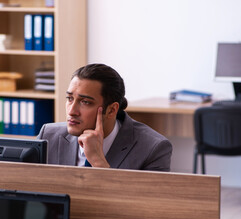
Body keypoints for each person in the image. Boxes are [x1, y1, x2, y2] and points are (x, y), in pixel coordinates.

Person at [37, 63, 172, 171]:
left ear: (112, 110)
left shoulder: (153, 148)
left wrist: (98, 162)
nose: (72, 111)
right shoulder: (48, 136)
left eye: (85, 102)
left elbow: (146, 204)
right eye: (70, 98)